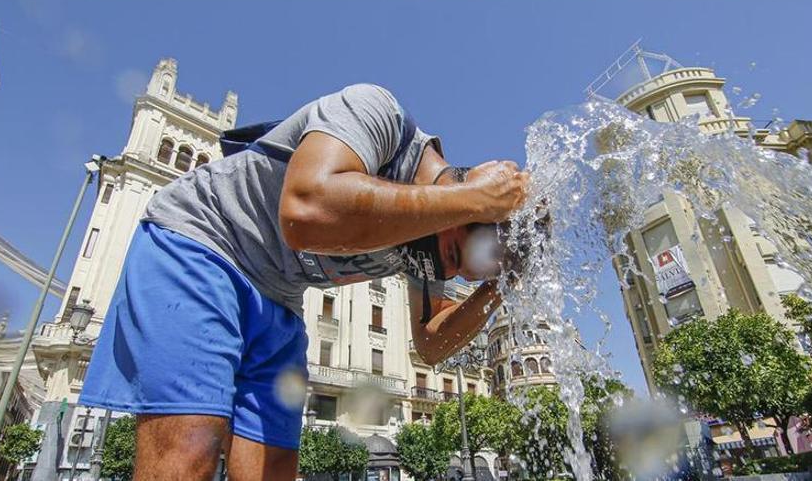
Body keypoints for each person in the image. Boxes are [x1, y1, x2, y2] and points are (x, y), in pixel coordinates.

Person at [79, 84, 529, 481]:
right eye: (452, 256)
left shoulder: (435, 245)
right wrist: (475, 198)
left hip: (279, 298)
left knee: (274, 471)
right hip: (205, 241)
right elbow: (305, 212)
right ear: (469, 194)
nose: (445, 274)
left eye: (461, 275)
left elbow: (431, 343)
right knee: (190, 450)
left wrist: (499, 285)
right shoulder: (377, 112)